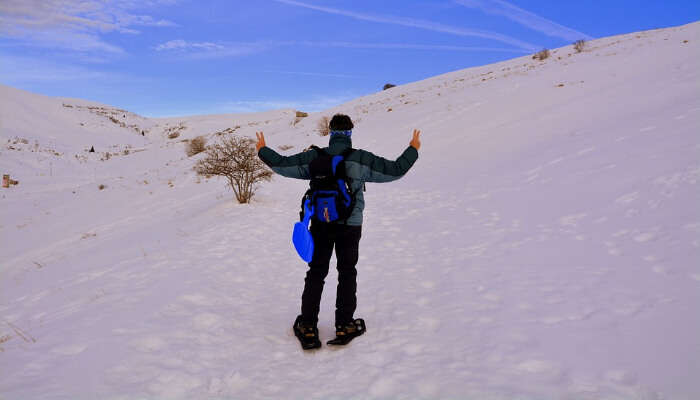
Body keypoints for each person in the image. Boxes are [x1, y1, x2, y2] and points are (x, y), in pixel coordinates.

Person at [256, 114, 420, 349]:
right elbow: (395, 170)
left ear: (331, 133)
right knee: (347, 272)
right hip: (350, 226)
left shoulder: (315, 157)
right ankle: (344, 324)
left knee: (316, 272)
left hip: (321, 224)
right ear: (350, 133)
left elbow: (283, 165)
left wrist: (263, 150)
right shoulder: (361, 158)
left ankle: (308, 326)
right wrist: (413, 149)